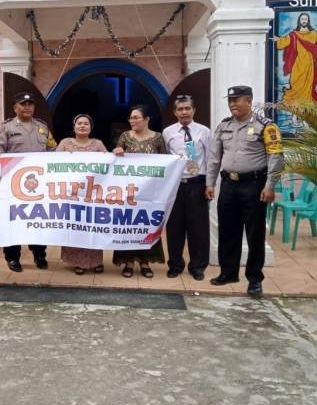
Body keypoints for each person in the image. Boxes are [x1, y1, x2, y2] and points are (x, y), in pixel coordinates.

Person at [205, 85, 283, 297]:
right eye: (230, 100)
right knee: (227, 230)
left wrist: (270, 186)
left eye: (237, 100)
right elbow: (214, 157)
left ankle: (255, 279)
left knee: (254, 233)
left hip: (254, 186)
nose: (232, 104)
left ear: (249, 101)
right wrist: (210, 183)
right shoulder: (224, 126)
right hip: (229, 184)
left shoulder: (266, 126)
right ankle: (228, 272)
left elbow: (275, 157)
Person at [0, 91, 56, 272]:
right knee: (13, 221)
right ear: (15, 108)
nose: (27, 107)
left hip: (39, 185)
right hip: (13, 184)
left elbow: (53, 149)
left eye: (30, 104)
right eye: (23, 104)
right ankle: (12, 257)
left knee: (38, 219)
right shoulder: (7, 127)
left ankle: (39, 254)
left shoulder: (42, 127)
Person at [112, 104, 166, 278]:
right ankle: (127, 262)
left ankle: (145, 262)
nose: (132, 121)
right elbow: (116, 160)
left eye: (136, 117)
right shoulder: (125, 137)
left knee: (145, 225)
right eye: (131, 118)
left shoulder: (158, 138)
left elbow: (166, 163)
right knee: (128, 225)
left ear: (147, 119)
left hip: (150, 192)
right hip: (128, 192)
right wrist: (117, 151)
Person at [162, 95, 211, 281]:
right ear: (175, 112)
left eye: (187, 108)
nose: (184, 112)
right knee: (174, 227)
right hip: (175, 186)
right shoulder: (168, 132)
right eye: (180, 109)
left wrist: (210, 184)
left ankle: (197, 266)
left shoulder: (204, 131)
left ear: (194, 110)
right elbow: (166, 158)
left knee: (198, 228)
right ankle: (175, 264)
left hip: (197, 183)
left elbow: (210, 159)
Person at [56, 114, 108, 275]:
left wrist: (117, 154)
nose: (83, 126)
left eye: (86, 123)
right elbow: (53, 164)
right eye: (79, 123)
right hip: (72, 195)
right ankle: (77, 262)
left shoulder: (98, 144)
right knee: (76, 227)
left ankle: (96, 261)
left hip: (92, 195)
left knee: (92, 227)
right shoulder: (65, 144)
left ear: (91, 127)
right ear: (74, 126)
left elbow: (110, 164)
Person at [273, 12, 317, 106]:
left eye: (305, 19)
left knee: (308, 85)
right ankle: (296, 105)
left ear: (308, 21)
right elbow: (285, 41)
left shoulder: (313, 33)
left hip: (309, 64)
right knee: (295, 83)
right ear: (299, 21)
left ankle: (305, 105)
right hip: (297, 63)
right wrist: (279, 40)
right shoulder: (294, 34)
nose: (304, 21)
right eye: (302, 19)